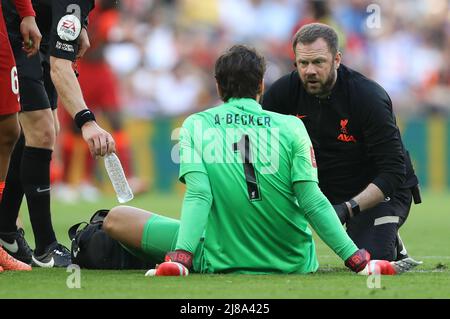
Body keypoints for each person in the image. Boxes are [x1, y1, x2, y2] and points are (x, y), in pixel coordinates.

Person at [102, 45, 413, 276]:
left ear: (218, 86)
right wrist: (356, 259)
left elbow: (199, 195)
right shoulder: (292, 125)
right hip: (292, 260)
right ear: (261, 85)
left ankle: (169, 255)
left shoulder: (196, 124)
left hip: (221, 255)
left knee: (115, 218)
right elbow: (312, 200)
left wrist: (181, 256)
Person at [262, 23, 421, 262]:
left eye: (318, 62)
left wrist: (347, 209)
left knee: (373, 257)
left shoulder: (368, 97)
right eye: (303, 64)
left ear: (337, 59)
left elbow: (393, 171)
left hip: (377, 191)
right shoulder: (281, 94)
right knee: (267, 255)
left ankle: (389, 238)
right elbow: (257, 147)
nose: (310, 71)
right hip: (322, 187)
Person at [0, 0, 116, 268]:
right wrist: (87, 122)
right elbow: (60, 67)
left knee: (45, 129)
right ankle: (45, 247)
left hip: (35, 33)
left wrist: (81, 24)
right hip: (14, 34)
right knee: (41, 130)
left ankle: (6, 232)